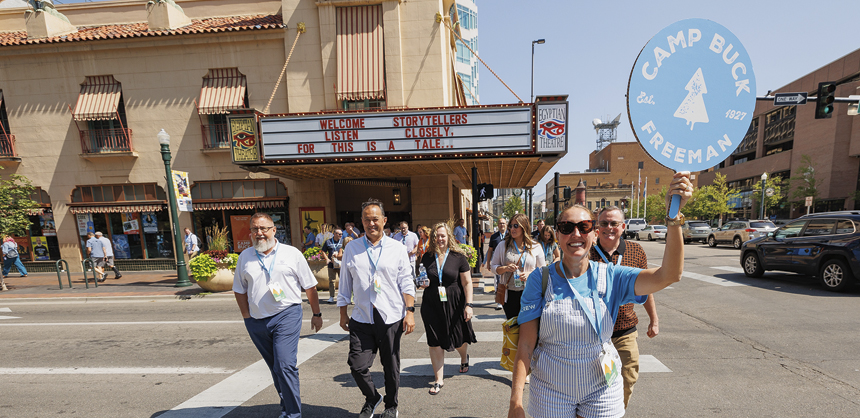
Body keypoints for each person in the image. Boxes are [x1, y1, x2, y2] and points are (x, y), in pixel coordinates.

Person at [508, 172, 693, 418]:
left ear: (594, 235)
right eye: (566, 227)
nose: (576, 234)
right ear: (558, 235)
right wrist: (516, 402)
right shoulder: (540, 280)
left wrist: (673, 219)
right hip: (550, 386)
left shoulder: (613, 275)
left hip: (601, 387)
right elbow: (526, 344)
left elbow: (669, 275)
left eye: (584, 227)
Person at [233, 213, 323, 418]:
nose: (260, 233)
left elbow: (310, 287)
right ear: (250, 233)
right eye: (255, 229)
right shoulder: (245, 257)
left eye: (264, 229)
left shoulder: (292, 254)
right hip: (256, 321)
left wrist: (316, 313)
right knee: (275, 368)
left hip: (287, 315)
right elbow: (239, 289)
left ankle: (293, 413)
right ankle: (287, 403)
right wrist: (247, 317)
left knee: (284, 365)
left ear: (274, 231)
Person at [338, 198, 416, 418]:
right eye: (366, 220)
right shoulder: (352, 248)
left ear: (384, 220)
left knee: (390, 366)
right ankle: (372, 397)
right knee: (357, 365)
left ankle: (391, 406)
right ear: (361, 222)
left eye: (375, 219)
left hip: (390, 316)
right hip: (362, 316)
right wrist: (343, 313)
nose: (371, 223)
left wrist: (409, 312)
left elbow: (406, 282)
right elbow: (344, 284)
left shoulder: (397, 248)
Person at [590, 206, 659, 409]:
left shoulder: (636, 251)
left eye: (614, 224)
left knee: (628, 376)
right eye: (604, 223)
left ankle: (615, 412)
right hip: (593, 331)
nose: (608, 228)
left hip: (624, 329)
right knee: (594, 381)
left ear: (623, 226)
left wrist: (654, 320)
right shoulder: (587, 253)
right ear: (597, 227)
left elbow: (647, 288)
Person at [419, 221, 476, 395]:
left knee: (458, 338)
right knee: (435, 340)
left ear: (448, 237)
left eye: (442, 235)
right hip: (431, 303)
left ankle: (464, 357)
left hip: (455, 302)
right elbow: (420, 277)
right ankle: (438, 379)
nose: (439, 239)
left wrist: (469, 305)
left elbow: (467, 283)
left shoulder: (458, 256)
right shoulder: (426, 257)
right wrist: (421, 283)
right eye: (436, 236)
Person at [491, 213, 546, 320]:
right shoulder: (503, 245)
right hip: (509, 295)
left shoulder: (535, 246)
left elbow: (543, 270)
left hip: (530, 294)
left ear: (524, 227)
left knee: (528, 327)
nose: (512, 229)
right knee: (513, 328)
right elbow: (493, 267)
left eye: (516, 226)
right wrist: (505, 268)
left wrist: (530, 274)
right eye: (510, 226)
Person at [484, 218, 507, 311]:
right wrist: (488, 263)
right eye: (500, 223)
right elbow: (490, 251)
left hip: (508, 263)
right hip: (498, 264)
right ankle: (499, 301)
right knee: (498, 282)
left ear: (506, 224)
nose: (502, 225)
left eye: (503, 223)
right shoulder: (494, 237)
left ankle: (506, 299)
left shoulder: (510, 235)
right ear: (498, 225)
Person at [321, 228, 344, 304]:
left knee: (343, 280)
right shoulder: (328, 241)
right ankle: (331, 296)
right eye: (339, 234)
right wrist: (326, 259)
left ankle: (342, 296)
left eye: (341, 234)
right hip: (331, 264)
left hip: (341, 264)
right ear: (334, 234)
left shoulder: (343, 241)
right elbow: (323, 251)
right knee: (332, 280)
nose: (341, 235)